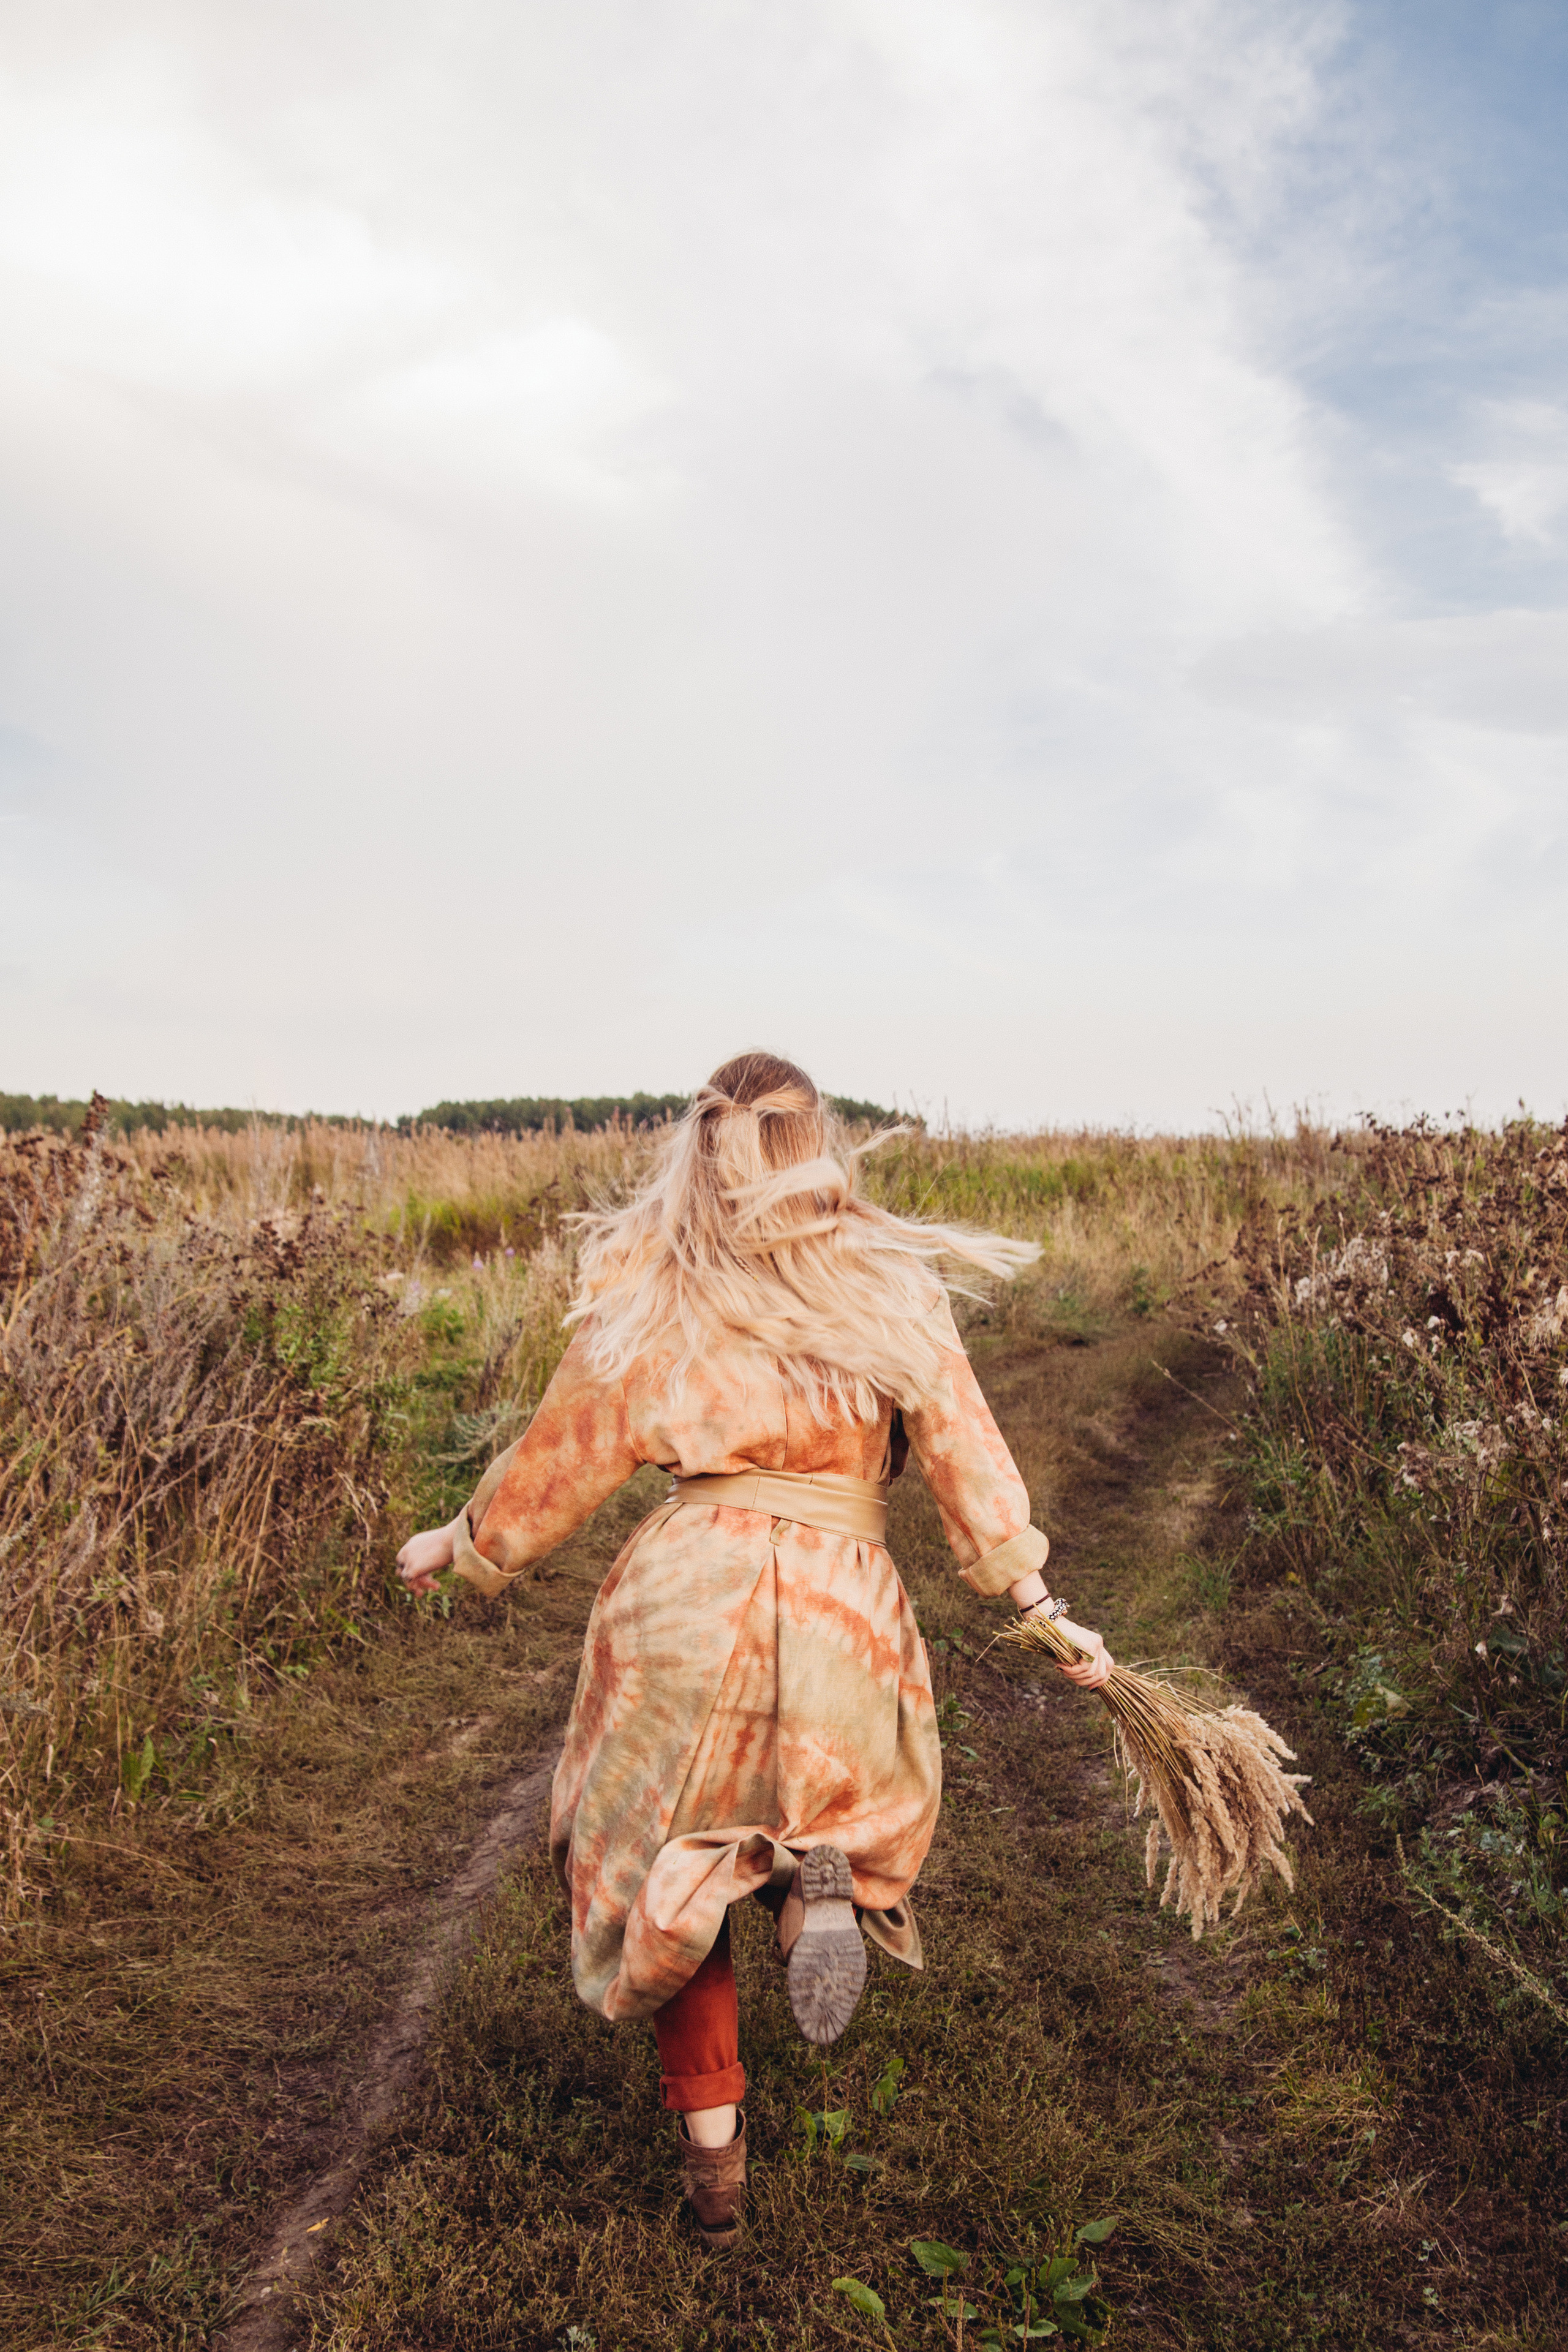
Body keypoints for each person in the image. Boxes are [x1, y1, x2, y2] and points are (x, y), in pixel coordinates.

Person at [396, 1052, 1112, 2248]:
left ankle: (715, 2165)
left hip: (684, 1597)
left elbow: (564, 1452)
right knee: (812, 1820)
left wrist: (468, 1545)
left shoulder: (654, 1282)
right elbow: (963, 1452)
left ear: (696, 1150)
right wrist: (1035, 1603)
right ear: (812, 1141)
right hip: (840, 1607)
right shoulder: (882, 1279)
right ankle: (814, 1898)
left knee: (672, 1869)